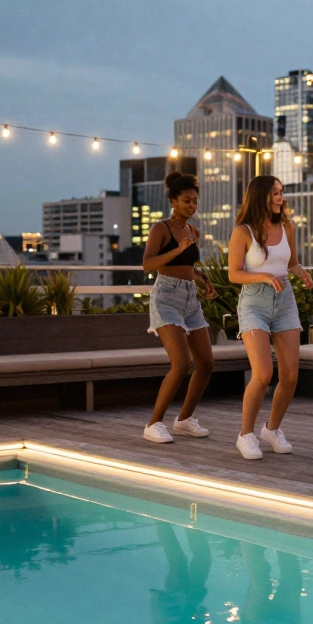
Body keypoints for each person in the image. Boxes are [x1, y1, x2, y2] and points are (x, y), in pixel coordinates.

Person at [227, 175, 313, 460]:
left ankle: (272, 429)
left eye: (281, 192)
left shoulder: (287, 227)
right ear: (261, 195)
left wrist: (300, 271)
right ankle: (245, 434)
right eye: (275, 193)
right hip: (254, 302)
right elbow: (233, 274)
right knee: (263, 374)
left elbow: (290, 263)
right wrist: (263, 276)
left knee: (290, 375)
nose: (281, 197)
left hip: (285, 300)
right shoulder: (243, 231)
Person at [142, 171, 217, 444]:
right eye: (187, 201)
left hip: (189, 298)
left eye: (195, 201)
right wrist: (177, 249)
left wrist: (204, 280)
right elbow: (148, 264)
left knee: (206, 363)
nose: (192, 206)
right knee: (181, 363)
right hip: (166, 297)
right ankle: (153, 423)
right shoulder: (160, 229)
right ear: (174, 201)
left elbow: (188, 268)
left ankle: (184, 420)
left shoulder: (193, 231)